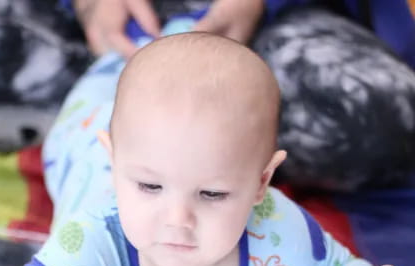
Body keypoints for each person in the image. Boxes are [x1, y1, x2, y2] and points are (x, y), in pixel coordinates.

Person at [0, 32, 410, 266]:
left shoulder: (279, 233)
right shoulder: (94, 240)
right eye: (150, 186)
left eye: (212, 193)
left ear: (262, 181)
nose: (178, 218)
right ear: (117, 164)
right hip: (81, 149)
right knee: (81, 120)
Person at [70, 0, 415, 191]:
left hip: (277, 19)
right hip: (109, 26)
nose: (178, 224)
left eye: (212, 194)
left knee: (379, 120)